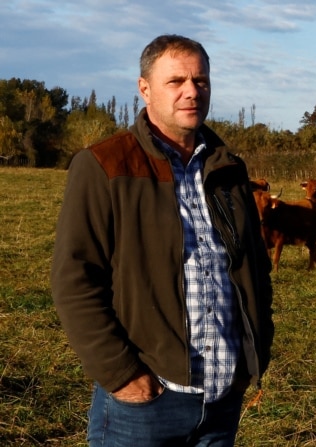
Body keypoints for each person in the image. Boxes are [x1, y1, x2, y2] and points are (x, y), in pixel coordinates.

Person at [51, 34, 274, 447]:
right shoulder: (103, 165)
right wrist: (123, 376)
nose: (192, 91)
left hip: (222, 402)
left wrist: (253, 353)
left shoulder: (228, 170)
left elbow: (255, 270)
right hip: (144, 405)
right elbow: (74, 280)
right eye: (176, 81)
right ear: (145, 88)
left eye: (201, 81)